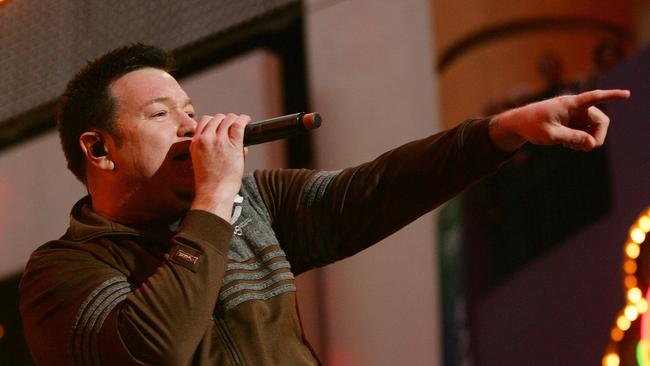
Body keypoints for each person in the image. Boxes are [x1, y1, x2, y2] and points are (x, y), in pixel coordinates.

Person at [18, 44, 629, 366]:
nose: (192, 124)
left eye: (189, 109)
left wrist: (500, 131)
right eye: (161, 115)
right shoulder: (61, 273)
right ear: (99, 149)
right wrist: (213, 198)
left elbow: (372, 190)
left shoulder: (252, 202)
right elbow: (152, 351)